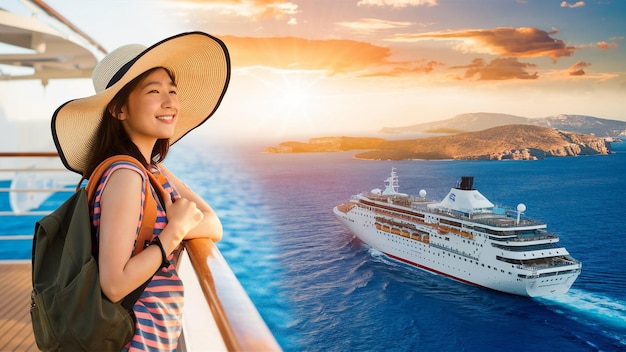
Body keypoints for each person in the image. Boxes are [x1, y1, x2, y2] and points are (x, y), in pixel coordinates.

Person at [51, 32, 231, 351]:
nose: (170, 102)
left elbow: (212, 224)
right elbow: (115, 283)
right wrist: (174, 231)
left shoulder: (145, 171)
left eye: (172, 91)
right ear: (119, 110)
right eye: (154, 91)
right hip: (132, 343)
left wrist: (157, 166)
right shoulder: (126, 176)